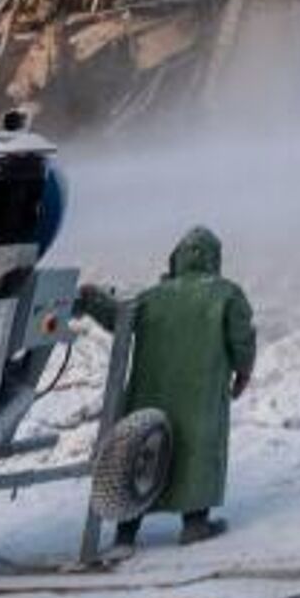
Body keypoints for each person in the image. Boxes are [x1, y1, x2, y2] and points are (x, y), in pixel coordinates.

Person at [78, 225, 256, 552]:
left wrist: (92, 300)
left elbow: (119, 320)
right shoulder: (227, 293)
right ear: (215, 259)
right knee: (197, 451)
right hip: (200, 397)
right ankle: (195, 525)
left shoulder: (153, 296)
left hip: (149, 392)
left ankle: (126, 532)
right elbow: (241, 338)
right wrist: (243, 372)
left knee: (142, 449)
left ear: (177, 258)